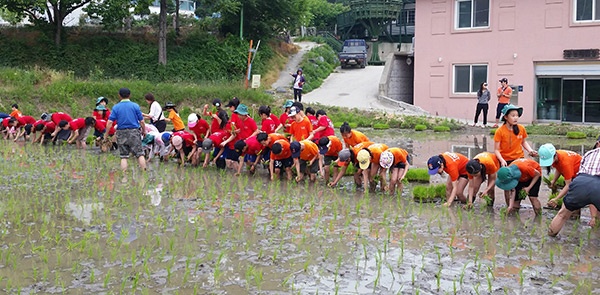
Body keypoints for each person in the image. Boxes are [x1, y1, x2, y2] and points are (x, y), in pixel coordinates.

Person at [549, 138, 600, 236]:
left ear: (598, 144)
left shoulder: (589, 153)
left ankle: (549, 240)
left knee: (562, 214)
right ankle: (595, 242)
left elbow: (582, 174)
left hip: (580, 182)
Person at [105, 87, 147, 173]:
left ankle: (124, 176)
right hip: (134, 131)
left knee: (123, 156)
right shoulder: (135, 106)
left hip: (121, 132)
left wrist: (106, 135)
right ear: (129, 95)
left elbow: (109, 122)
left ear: (119, 96)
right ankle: (144, 173)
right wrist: (144, 131)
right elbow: (142, 121)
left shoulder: (116, 107)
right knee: (139, 154)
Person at [538, 143, 583, 209]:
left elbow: (568, 185)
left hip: (581, 176)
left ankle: (574, 215)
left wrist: (556, 199)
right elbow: (559, 168)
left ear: (555, 155)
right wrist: (553, 181)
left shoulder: (565, 163)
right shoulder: (557, 157)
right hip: (572, 174)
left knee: (574, 199)